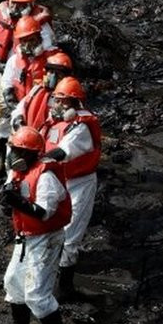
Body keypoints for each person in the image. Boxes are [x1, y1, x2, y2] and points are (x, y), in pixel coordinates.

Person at [0, 126, 70, 324]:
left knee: (37, 294)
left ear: (31, 153)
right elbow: (12, 200)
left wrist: (17, 202)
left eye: (19, 151)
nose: (15, 156)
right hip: (26, 236)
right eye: (13, 150)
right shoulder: (18, 171)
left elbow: (44, 213)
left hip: (46, 238)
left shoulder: (46, 175)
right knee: (13, 283)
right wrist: (7, 203)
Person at [37, 77, 101, 302]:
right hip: (57, 179)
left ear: (75, 104)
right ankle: (46, 273)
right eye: (57, 100)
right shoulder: (53, 121)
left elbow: (64, 151)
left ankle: (63, 286)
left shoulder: (81, 127)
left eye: (64, 102)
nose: (57, 106)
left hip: (79, 183)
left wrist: (42, 160)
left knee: (70, 235)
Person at [0, 13, 56, 177]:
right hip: (19, 108)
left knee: (40, 147)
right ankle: (7, 168)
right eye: (24, 40)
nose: (28, 44)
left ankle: (36, 177)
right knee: (5, 135)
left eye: (32, 39)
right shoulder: (14, 61)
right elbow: (6, 84)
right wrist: (15, 110)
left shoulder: (52, 59)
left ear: (39, 37)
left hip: (42, 111)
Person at [11, 51, 73, 132]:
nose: (53, 77)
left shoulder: (69, 99)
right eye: (51, 72)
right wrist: (19, 122)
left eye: (59, 74)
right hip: (28, 137)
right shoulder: (37, 90)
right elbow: (19, 109)